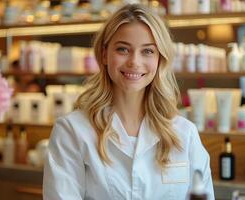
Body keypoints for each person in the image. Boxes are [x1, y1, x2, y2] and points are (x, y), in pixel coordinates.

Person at [43, 3, 214, 200]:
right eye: (123, 49)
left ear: (160, 59)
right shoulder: (72, 131)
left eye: (148, 51)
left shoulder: (185, 134)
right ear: (105, 54)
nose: (134, 61)